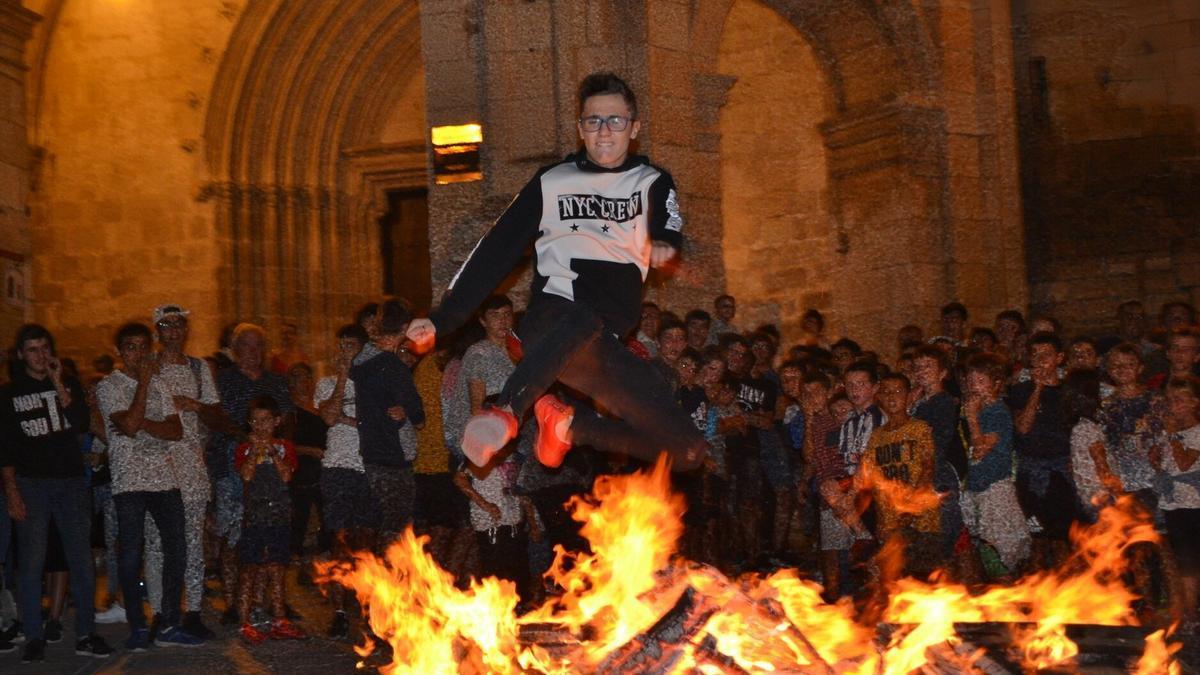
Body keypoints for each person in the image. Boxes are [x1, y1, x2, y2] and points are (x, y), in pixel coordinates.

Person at [406, 71, 705, 475]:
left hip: (602, 345)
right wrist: (443, 319)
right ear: (581, 127)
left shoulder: (650, 181)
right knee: (582, 314)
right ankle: (506, 410)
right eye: (592, 121)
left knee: (687, 452)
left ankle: (570, 426)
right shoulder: (553, 181)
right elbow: (496, 250)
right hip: (552, 321)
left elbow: (666, 220)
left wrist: (665, 242)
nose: (603, 131)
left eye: (615, 121)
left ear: (634, 128)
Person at [0, 324, 113, 661]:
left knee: (80, 559)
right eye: (32, 349)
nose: (40, 355)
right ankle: (34, 634)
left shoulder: (68, 384)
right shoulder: (8, 395)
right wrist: (13, 492)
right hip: (32, 484)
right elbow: (4, 448)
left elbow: (79, 422)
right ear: (21, 355)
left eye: (44, 347)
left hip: (70, 482)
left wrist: (59, 383)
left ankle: (86, 633)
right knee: (32, 563)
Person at [94, 323, 198, 649]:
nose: (138, 354)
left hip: (165, 478)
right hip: (129, 480)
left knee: (176, 549)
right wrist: (142, 388)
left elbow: (175, 431)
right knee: (130, 554)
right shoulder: (108, 386)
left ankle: (168, 621)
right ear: (120, 352)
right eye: (130, 347)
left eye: (142, 346)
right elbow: (124, 424)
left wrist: (141, 423)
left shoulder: (162, 385)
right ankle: (138, 625)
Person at [145, 304, 221, 639]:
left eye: (179, 326)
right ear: (157, 331)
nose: (173, 331)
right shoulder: (147, 366)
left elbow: (217, 416)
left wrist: (196, 406)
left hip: (190, 461)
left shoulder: (198, 367)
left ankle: (191, 610)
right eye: (166, 325)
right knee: (156, 541)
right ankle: (161, 611)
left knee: (191, 540)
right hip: (155, 462)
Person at [213, 323, 293, 625]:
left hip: (272, 470)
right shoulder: (223, 381)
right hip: (233, 466)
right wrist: (251, 441)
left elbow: (286, 419)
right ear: (234, 350)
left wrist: (280, 449)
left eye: (258, 345)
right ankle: (234, 601)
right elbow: (218, 418)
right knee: (234, 535)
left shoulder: (276, 381)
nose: (253, 352)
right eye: (246, 345)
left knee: (272, 537)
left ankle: (268, 600)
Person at [314, 324, 377, 639]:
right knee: (340, 542)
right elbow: (327, 417)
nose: (346, 351)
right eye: (342, 345)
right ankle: (339, 612)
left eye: (352, 345)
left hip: (368, 468)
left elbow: (375, 424)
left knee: (366, 544)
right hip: (338, 468)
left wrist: (349, 420)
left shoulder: (374, 381)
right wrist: (342, 377)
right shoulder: (327, 382)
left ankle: (368, 612)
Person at [854, 374, 942, 582]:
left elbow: (928, 468)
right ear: (878, 398)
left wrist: (911, 507)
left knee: (924, 580)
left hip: (921, 519)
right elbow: (872, 480)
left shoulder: (919, 428)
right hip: (890, 520)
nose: (892, 396)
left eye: (898, 391)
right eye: (886, 392)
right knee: (893, 580)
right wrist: (879, 519)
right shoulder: (876, 437)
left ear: (909, 395)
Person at [352, 299, 425, 549]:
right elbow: (418, 416)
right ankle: (392, 583)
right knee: (397, 530)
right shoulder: (393, 367)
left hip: (369, 453)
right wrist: (409, 412)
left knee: (376, 524)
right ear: (405, 327)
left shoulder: (361, 362)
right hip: (393, 455)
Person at [233, 396, 305, 644]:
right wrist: (255, 450)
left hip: (280, 514)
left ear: (276, 421)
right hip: (255, 515)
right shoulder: (243, 448)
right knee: (249, 568)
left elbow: (286, 476)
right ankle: (244, 623)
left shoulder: (286, 447)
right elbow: (246, 474)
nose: (260, 426)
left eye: (265, 421)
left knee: (277, 567)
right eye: (255, 421)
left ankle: (279, 620)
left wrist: (271, 449)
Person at [1007, 332, 1078, 567]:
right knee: (1035, 540)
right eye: (1034, 355)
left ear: (1059, 358)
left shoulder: (1069, 392)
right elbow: (1023, 428)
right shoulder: (1020, 391)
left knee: (1061, 538)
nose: (1039, 361)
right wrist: (1036, 390)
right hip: (1029, 472)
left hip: (1060, 472)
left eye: (1045, 355)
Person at [961, 354, 1030, 580]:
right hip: (977, 487)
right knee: (986, 552)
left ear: (996, 384)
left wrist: (972, 418)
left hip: (995, 489)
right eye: (970, 381)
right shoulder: (981, 411)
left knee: (1000, 551)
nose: (974, 387)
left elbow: (981, 448)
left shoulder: (996, 412)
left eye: (981, 381)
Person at [1158, 376, 1200, 627]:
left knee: (1193, 559)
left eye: (1179, 400)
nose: (1173, 405)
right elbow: (1168, 464)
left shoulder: (1195, 432)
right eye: (1170, 400)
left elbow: (1185, 463)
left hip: (1195, 505)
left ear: (1195, 402)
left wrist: (1172, 437)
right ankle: (1189, 614)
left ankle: (1192, 613)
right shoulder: (1171, 432)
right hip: (1174, 504)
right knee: (1184, 560)